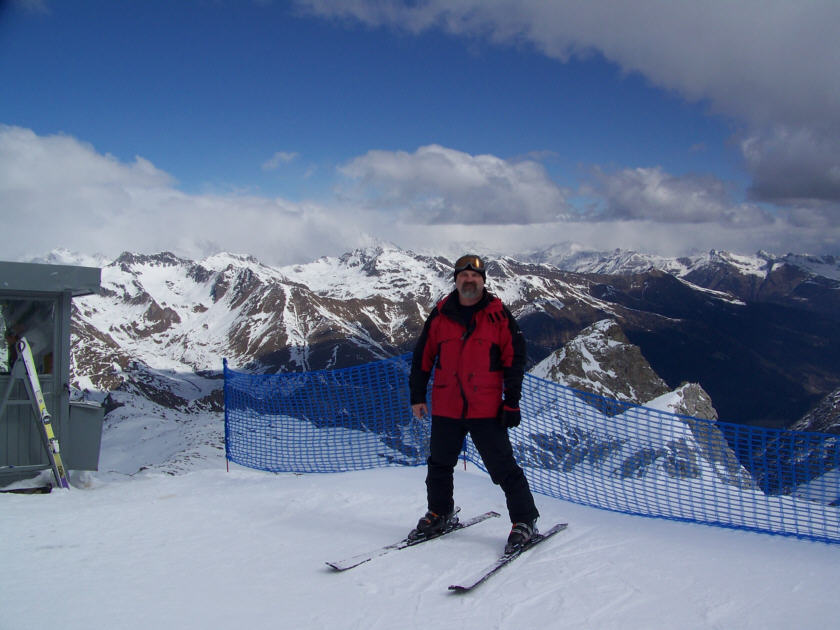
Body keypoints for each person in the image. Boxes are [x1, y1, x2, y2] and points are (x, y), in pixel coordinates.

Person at [409, 254, 540, 554]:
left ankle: (525, 520)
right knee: (439, 464)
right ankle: (440, 512)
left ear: (483, 281)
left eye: (475, 277)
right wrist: (417, 396)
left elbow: (514, 359)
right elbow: (423, 356)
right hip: (447, 404)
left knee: (503, 468)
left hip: (486, 407)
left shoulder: (498, 315)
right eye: (463, 276)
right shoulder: (440, 314)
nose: (469, 281)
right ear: (456, 280)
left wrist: (512, 402)